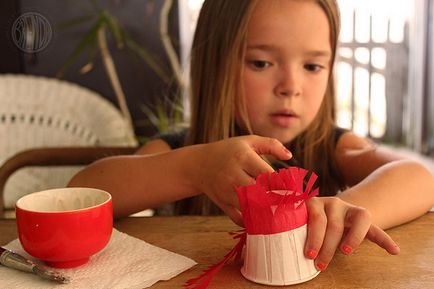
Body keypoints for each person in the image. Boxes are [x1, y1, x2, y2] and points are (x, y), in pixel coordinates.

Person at [68, 0, 434, 271]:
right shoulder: (185, 149)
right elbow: (81, 193)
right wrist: (193, 168)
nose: (291, 86)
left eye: (312, 66)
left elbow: (419, 178)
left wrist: (345, 211)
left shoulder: (333, 145)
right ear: (216, 63)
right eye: (261, 63)